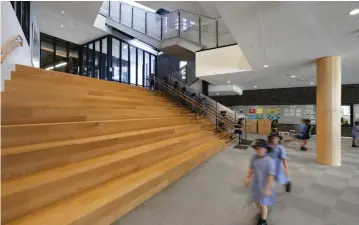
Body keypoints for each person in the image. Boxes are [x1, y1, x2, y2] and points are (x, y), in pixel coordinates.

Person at [245, 139, 275, 225]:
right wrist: (247, 178)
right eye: (258, 149)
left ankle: (263, 220)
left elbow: (270, 176)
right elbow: (251, 169)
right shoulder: (254, 157)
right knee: (258, 201)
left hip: (264, 185)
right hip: (255, 184)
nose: (260, 151)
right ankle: (261, 212)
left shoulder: (269, 161)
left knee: (263, 204)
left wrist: (268, 189)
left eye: (262, 149)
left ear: (266, 149)